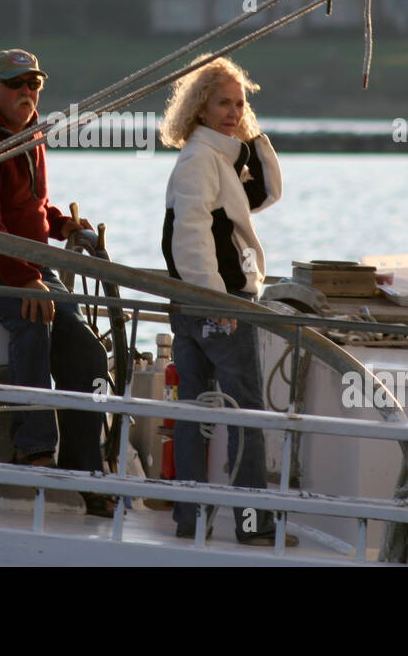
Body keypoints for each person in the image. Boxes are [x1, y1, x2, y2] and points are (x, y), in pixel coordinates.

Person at [0, 48, 113, 515]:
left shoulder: (30, 135)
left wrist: (59, 224)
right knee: (34, 318)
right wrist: (27, 282)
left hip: (23, 264)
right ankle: (32, 450)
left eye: (34, 84)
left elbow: (26, 208)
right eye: (16, 84)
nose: (27, 92)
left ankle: (86, 470)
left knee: (89, 349)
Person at [159, 55, 295, 546]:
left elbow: (264, 195)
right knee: (246, 414)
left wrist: (250, 133)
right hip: (218, 304)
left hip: (196, 302)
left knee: (196, 410)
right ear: (198, 108)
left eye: (241, 103)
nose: (233, 111)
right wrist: (215, 300)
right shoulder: (201, 160)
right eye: (223, 103)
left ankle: (190, 520)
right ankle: (254, 526)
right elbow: (190, 235)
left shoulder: (216, 157)